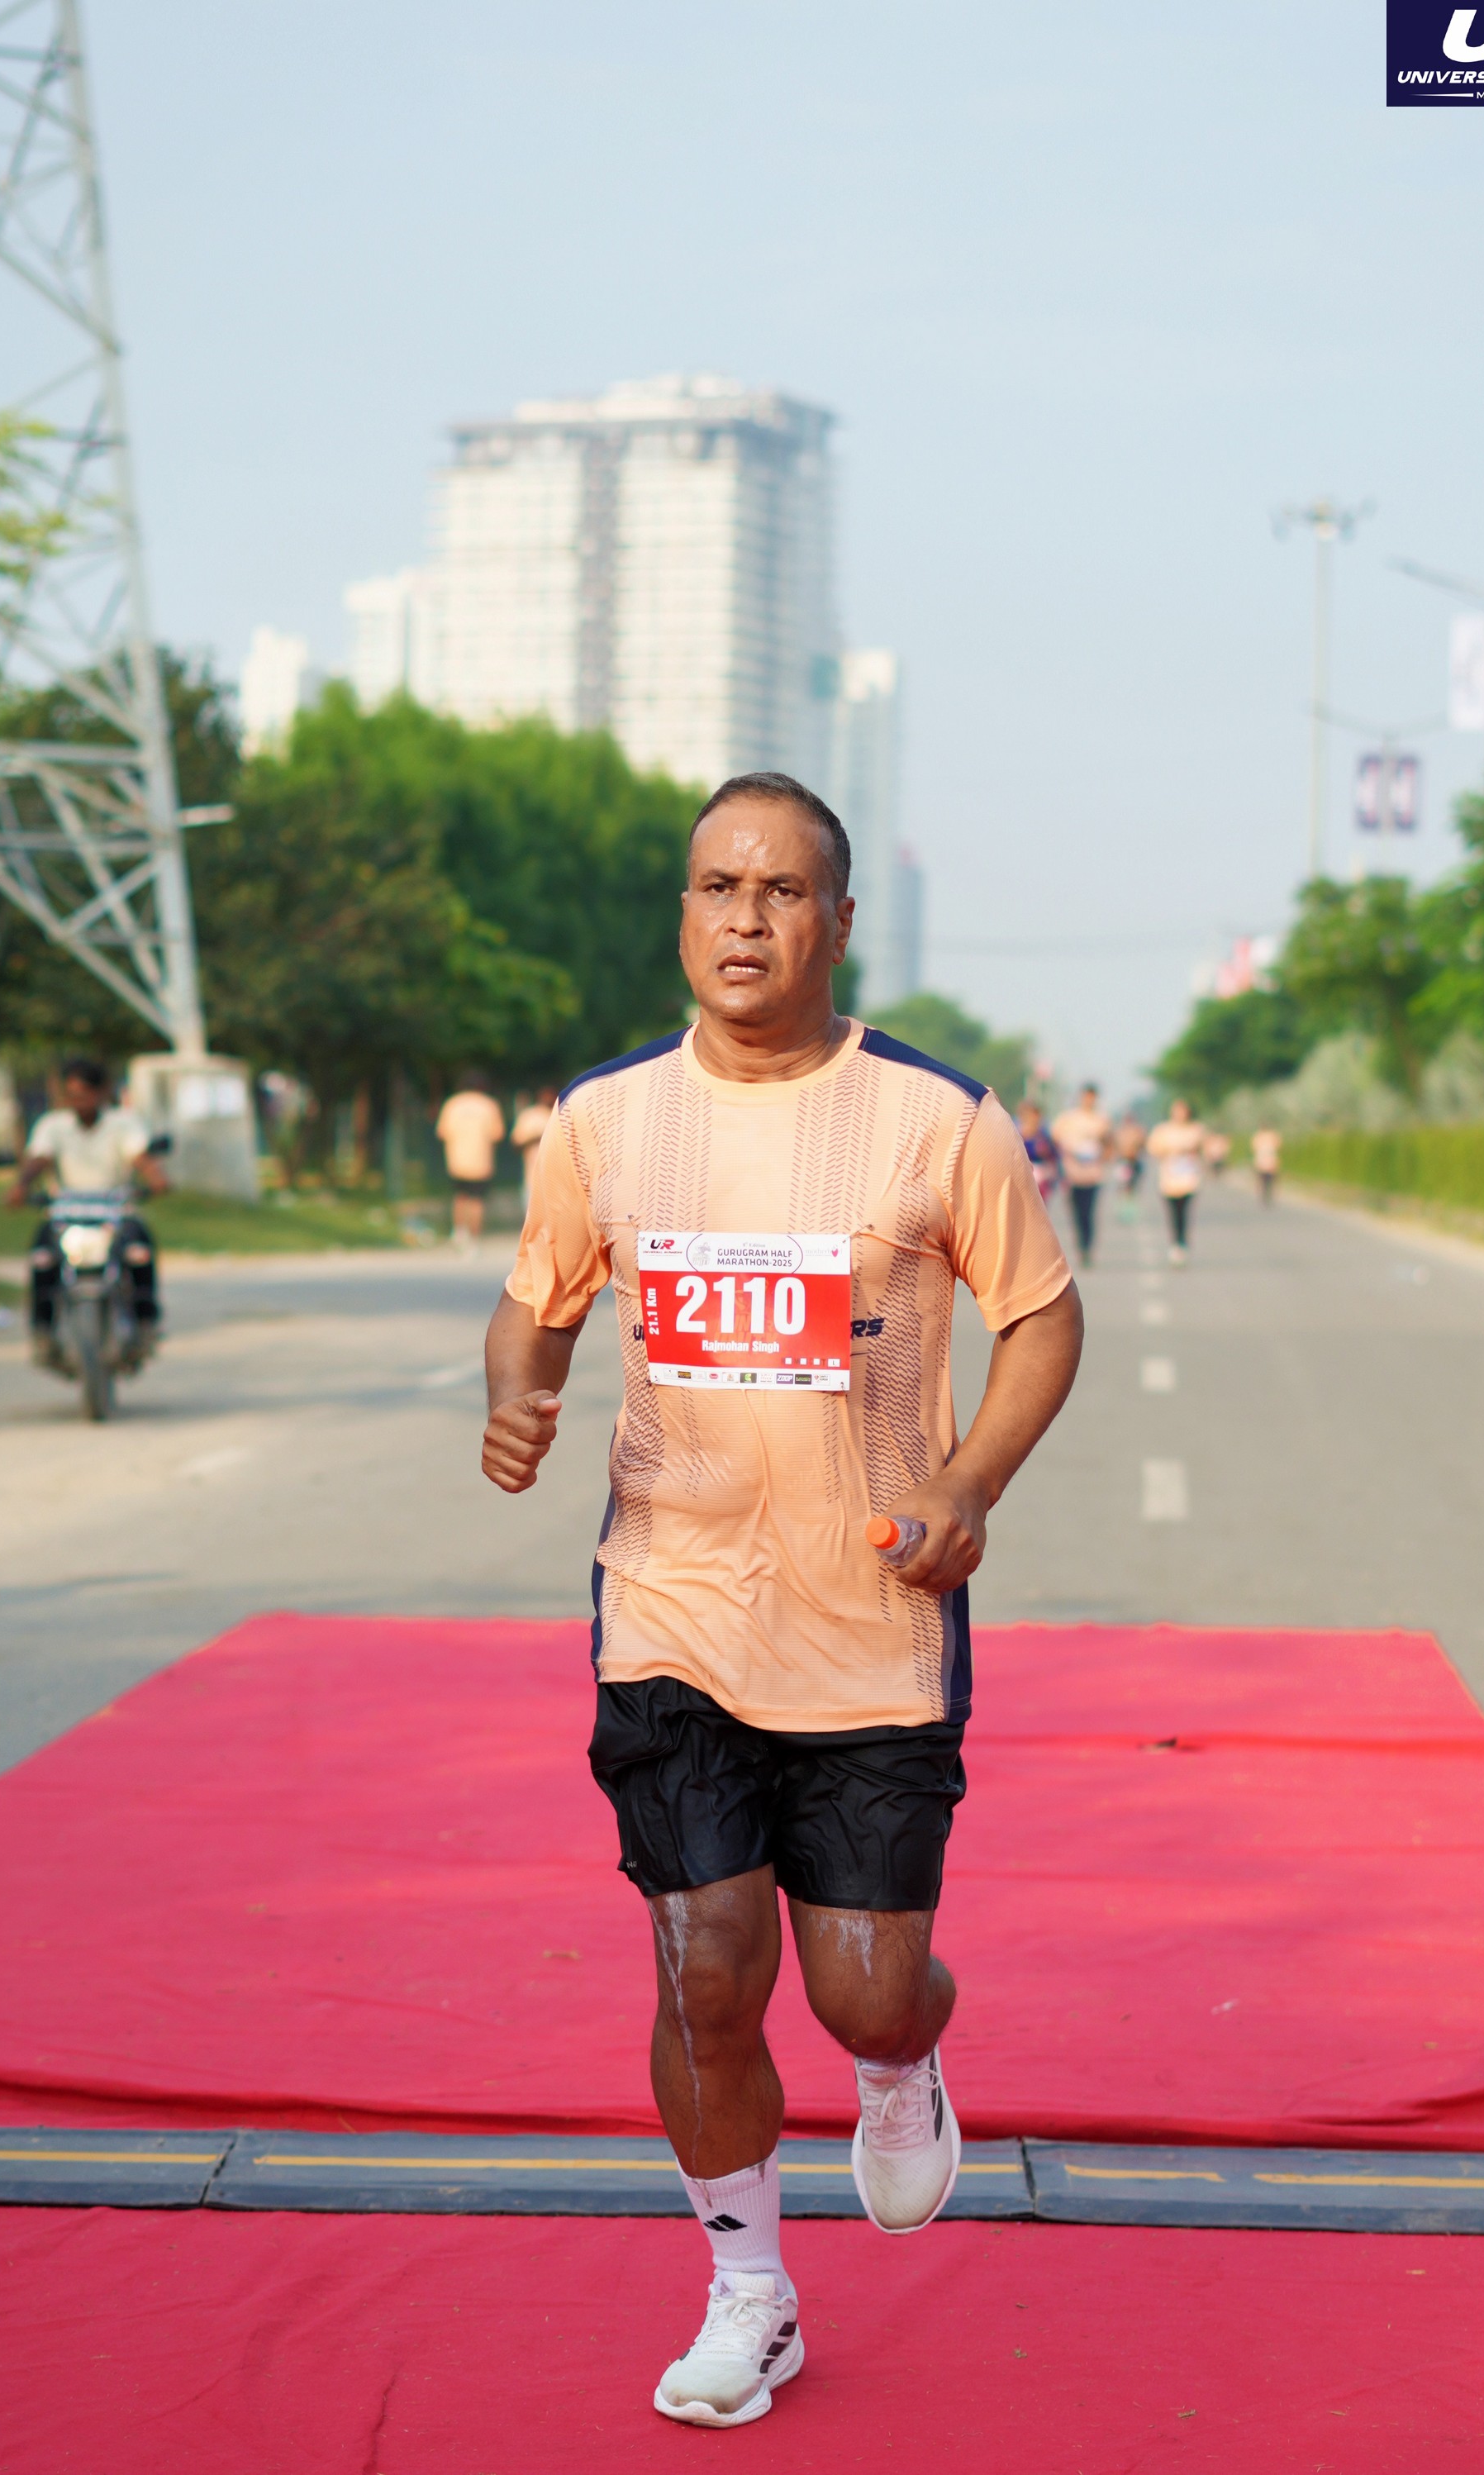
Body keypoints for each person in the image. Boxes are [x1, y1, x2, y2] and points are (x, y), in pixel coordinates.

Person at [480, 770, 1082, 2431]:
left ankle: (899, 2063)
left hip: (870, 1620)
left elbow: (1040, 1316)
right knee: (702, 1971)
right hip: (669, 1609)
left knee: (859, 1987)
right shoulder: (603, 1118)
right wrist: (516, 1392)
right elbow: (535, 1301)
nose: (742, 918)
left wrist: (969, 1484)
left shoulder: (935, 1119)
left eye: (779, 890)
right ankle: (747, 2291)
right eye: (714, 888)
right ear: (682, 914)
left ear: (836, 921)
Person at [7, 1059, 168, 1359]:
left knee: (140, 1252)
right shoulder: (53, 1126)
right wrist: (21, 1186)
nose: (79, 1102)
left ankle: (146, 1322)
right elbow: (40, 1159)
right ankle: (43, 1330)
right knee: (42, 1259)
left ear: (102, 1092)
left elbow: (139, 1156)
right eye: (72, 1095)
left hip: (116, 1212)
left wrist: (156, 1178)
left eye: (85, 1094)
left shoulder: (123, 1124)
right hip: (65, 1213)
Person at [1049, 1080, 1115, 1268]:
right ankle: (1080, 1246)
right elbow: (1055, 1141)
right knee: (1076, 1212)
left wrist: (1104, 1155)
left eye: (1092, 1097)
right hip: (1072, 1173)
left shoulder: (1101, 1120)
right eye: (1086, 1097)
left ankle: (1087, 1247)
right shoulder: (1068, 1119)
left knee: (1089, 1211)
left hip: (1093, 1173)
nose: (1089, 1100)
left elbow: (1109, 1143)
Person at [435, 1073, 505, 1248]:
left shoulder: (452, 1104)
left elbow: (442, 1132)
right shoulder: (489, 1105)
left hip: (457, 1160)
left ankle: (459, 1233)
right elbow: (497, 1134)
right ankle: (474, 1239)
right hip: (480, 1161)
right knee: (477, 1201)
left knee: (460, 1197)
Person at [1147, 1096, 1207, 1265]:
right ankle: (1175, 1244)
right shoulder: (1163, 1130)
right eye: (1177, 1110)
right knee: (1173, 1213)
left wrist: (1191, 1151)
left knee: (1185, 1212)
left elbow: (1204, 1149)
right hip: (1170, 1180)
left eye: (1183, 1110)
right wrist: (1171, 1150)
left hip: (1189, 1179)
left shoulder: (1196, 1129)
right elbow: (1153, 1149)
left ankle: (1183, 1243)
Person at [510, 1086, 559, 1211]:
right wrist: (535, 1138)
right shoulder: (530, 1115)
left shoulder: (560, 1113)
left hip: (558, 1176)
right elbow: (516, 1144)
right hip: (533, 1175)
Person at [1015, 1098, 1060, 1205]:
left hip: (1042, 1183)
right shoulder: (1016, 1135)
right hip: (1022, 1180)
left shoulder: (1044, 1136)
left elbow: (1054, 1157)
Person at [1252, 1123, 1282, 1206]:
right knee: (1270, 1180)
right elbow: (1278, 1145)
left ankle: (1263, 1194)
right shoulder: (1273, 1135)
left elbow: (1254, 1147)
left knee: (1262, 1179)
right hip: (1270, 1160)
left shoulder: (1259, 1136)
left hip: (1263, 1160)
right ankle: (1269, 1194)